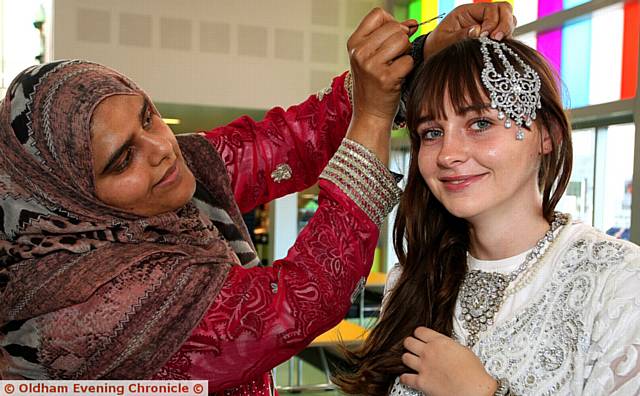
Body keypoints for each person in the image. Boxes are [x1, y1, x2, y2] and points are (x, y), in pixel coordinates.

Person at [0, 3, 515, 394]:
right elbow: (298, 300)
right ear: (65, 198)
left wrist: (422, 53)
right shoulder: (82, 310)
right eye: (121, 160)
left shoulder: (179, 174)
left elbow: (292, 139)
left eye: (148, 116)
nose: (161, 150)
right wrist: (374, 119)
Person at [334, 35, 640, 396]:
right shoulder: (412, 274)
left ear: (548, 135)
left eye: (480, 124)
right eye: (432, 132)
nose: (448, 154)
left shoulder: (619, 280)